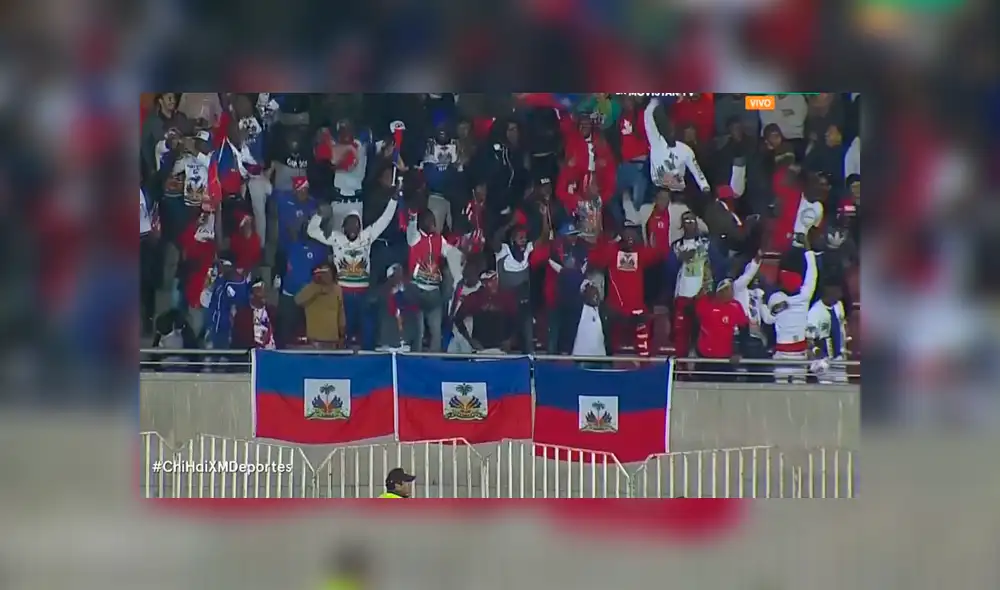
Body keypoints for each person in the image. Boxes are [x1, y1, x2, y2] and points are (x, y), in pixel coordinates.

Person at [306, 188, 399, 350]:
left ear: (360, 226)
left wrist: (393, 201)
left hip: (364, 293)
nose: (352, 228)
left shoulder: (367, 236)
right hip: (343, 294)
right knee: (343, 331)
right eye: (349, 224)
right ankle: (343, 362)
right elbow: (311, 231)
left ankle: (368, 361)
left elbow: (384, 220)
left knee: (368, 332)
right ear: (344, 227)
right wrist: (319, 215)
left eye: (356, 224)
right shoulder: (337, 238)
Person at [589, 222, 663, 356]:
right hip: (615, 307)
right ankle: (609, 362)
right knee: (608, 335)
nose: (630, 237)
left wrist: (655, 237)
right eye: (627, 233)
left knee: (644, 328)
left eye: (633, 234)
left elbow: (657, 254)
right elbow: (595, 259)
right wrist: (610, 243)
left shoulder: (640, 253)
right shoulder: (612, 252)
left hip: (636, 307)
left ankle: (644, 363)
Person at [668, 211, 728, 362]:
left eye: (692, 220)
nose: (690, 224)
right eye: (686, 221)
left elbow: (719, 265)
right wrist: (679, 260)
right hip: (682, 295)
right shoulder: (676, 246)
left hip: (703, 295)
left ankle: (700, 367)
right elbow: (668, 272)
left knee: (702, 334)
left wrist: (714, 290)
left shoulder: (706, 244)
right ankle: (680, 370)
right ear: (682, 225)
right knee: (681, 335)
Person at [405, 208, 462, 352]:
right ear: (421, 222)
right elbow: (411, 228)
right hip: (416, 291)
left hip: (434, 292)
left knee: (436, 331)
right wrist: (412, 217)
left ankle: (434, 361)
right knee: (419, 332)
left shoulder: (438, 238)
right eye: (429, 220)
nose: (433, 223)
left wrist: (462, 254)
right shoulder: (415, 237)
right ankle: (415, 362)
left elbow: (449, 250)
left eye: (433, 220)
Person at [764, 249, 819, 383]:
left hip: (794, 355)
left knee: (791, 392)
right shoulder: (800, 296)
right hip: (788, 355)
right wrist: (809, 253)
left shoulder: (781, 298)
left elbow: (768, 320)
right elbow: (813, 275)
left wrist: (763, 306)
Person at [644, 98, 711, 198]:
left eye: (670, 127)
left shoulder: (686, 150)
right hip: (658, 187)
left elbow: (697, 171)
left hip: (677, 190)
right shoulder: (656, 142)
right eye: (665, 126)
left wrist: (705, 187)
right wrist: (654, 102)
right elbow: (648, 120)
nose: (669, 130)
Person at [694, 279, 748, 382]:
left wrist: (739, 351)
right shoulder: (706, 303)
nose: (732, 292)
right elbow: (694, 323)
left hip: (726, 358)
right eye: (729, 289)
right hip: (706, 358)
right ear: (720, 291)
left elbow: (744, 330)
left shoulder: (736, 306)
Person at [453, 271, 518, 353]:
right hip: (480, 348)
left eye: (495, 280)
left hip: (502, 348)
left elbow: (517, 320)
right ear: (483, 283)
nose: (492, 284)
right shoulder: (474, 298)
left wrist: (510, 340)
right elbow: (458, 319)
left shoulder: (506, 297)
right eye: (488, 281)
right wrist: (471, 341)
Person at [295, 262, 346, 349]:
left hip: (333, 340)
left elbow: (341, 314)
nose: (325, 275)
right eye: (322, 272)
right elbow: (298, 300)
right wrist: (316, 287)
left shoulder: (337, 290)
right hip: (315, 341)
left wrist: (342, 336)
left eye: (327, 272)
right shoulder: (310, 288)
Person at [806, 283, 849, 384]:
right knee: (827, 392)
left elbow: (841, 328)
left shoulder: (839, 306)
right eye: (837, 292)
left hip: (838, 359)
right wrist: (817, 354)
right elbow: (808, 341)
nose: (840, 295)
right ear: (828, 291)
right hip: (823, 360)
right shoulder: (815, 312)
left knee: (844, 390)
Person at [561, 279, 611, 360]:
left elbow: (607, 335)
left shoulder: (602, 311)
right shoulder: (578, 310)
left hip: (600, 357)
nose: (595, 297)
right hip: (580, 356)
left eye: (596, 294)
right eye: (592, 294)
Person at [445, 256, 484, 353]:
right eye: (466, 271)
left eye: (471, 272)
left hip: (469, 332)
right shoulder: (459, 285)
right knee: (450, 355)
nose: (468, 274)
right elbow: (454, 303)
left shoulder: (480, 289)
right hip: (455, 330)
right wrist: (451, 317)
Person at [232, 277, 278, 350]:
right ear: (251, 294)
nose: (263, 293)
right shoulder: (242, 315)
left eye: (264, 290)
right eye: (259, 290)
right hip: (253, 354)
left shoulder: (272, 312)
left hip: (272, 354)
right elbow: (239, 341)